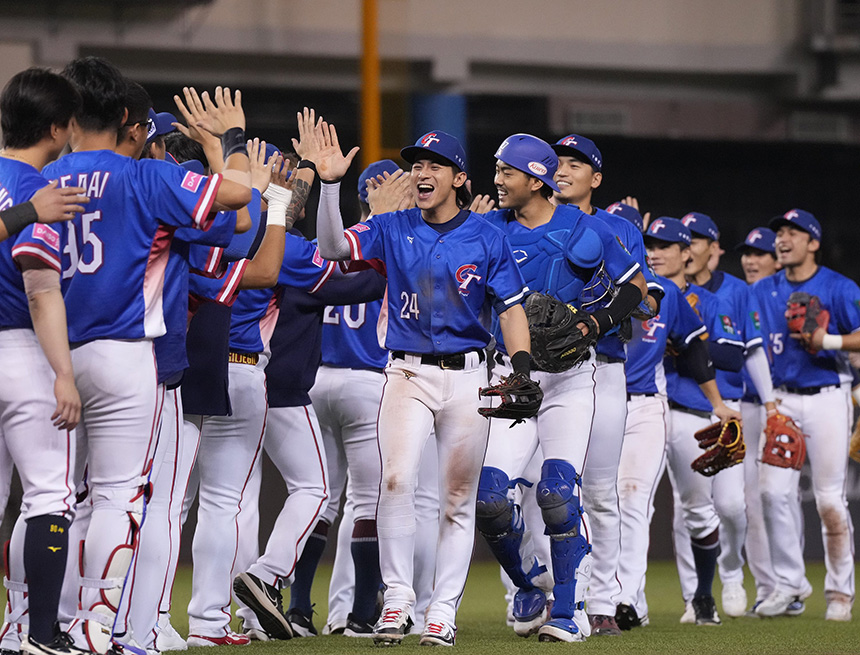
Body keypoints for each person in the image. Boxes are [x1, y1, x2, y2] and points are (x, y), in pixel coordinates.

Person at [43, 56, 252, 654]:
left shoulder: (40, 178)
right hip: (126, 354)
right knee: (121, 497)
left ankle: (33, 625)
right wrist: (229, 144)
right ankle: (97, 627)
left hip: (47, 355)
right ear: (130, 120)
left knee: (51, 499)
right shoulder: (146, 178)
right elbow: (239, 205)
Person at [314, 125, 535, 646]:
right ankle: (396, 602)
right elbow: (330, 246)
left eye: (435, 165)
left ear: (459, 178)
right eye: (416, 164)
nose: (421, 172)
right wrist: (328, 187)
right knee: (396, 482)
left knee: (457, 498)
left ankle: (442, 612)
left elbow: (510, 308)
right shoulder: (391, 226)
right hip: (406, 372)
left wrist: (521, 368)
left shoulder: (486, 236)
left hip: (467, 377)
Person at [476, 133, 645, 642]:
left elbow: (636, 287)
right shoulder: (488, 230)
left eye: (507, 172)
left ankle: (570, 614)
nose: (499, 180)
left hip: (573, 375)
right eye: (498, 169)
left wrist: (597, 323)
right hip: (515, 374)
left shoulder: (586, 229)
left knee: (556, 492)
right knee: (490, 499)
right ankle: (529, 582)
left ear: (536, 180)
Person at [550, 135, 663, 637]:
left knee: (599, 490)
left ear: (595, 179)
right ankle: (544, 597)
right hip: (543, 368)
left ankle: (602, 602)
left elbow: (648, 302)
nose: (563, 170)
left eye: (576, 164)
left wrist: (610, 298)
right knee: (536, 486)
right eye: (557, 162)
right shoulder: (527, 223)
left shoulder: (618, 229)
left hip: (604, 364)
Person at [0, 66, 82, 655]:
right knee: (49, 495)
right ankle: (42, 634)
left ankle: (14, 631)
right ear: (56, 128)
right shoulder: (41, 189)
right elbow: (42, 290)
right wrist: (64, 373)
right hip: (21, 347)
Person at [750, 209, 857, 622]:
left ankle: (839, 594)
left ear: (813, 242)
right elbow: (752, 343)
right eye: (780, 232)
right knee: (772, 493)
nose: (783, 238)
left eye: (794, 232)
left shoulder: (838, 286)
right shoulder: (764, 290)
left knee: (830, 499)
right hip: (783, 400)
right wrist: (770, 401)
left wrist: (826, 339)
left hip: (829, 395)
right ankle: (790, 584)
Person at [613, 206, 711, 629]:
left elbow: (695, 347)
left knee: (634, 499)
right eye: (643, 242)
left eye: (653, 243)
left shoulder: (666, 292)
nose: (648, 251)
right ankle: (591, 595)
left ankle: (628, 600)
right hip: (597, 402)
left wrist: (719, 402)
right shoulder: (587, 283)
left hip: (645, 404)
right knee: (599, 504)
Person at [642, 217, 743, 626]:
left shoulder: (712, 302)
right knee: (625, 504)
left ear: (687, 254)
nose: (655, 252)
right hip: (641, 407)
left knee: (699, 510)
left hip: (689, 411)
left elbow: (733, 357)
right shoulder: (638, 293)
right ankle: (616, 600)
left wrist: (686, 345)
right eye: (651, 244)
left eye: (666, 245)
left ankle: (703, 595)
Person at [679, 212, 777, 618]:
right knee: (690, 508)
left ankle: (732, 571)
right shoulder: (664, 291)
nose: (688, 249)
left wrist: (770, 404)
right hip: (679, 404)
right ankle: (695, 596)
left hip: (727, 408)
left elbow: (742, 353)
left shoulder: (733, 293)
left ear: (712, 249)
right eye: (682, 242)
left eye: (695, 241)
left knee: (734, 505)